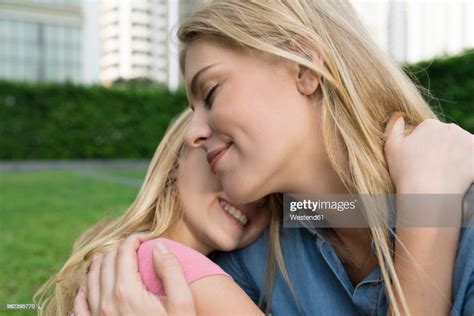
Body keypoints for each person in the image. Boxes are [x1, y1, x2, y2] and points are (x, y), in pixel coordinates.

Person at [178, 0, 474, 315]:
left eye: (210, 92)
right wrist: (426, 212)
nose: (191, 134)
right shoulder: (252, 261)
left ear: (305, 66)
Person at [34, 109, 277, 315]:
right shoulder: (173, 265)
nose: (251, 194)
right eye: (229, 158)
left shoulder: (121, 262)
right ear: (175, 161)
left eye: (271, 191)